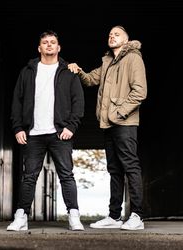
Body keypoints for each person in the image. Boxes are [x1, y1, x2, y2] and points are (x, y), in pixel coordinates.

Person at [68, 25, 147, 230]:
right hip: (109, 124)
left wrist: (119, 113)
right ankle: (114, 216)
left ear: (126, 40)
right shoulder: (107, 62)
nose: (112, 36)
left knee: (130, 166)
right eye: (110, 34)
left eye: (117, 34)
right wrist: (78, 71)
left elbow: (140, 92)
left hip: (125, 122)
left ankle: (137, 216)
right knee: (114, 170)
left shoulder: (133, 58)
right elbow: (90, 80)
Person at [7, 30, 85, 231]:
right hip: (33, 133)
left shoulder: (69, 72)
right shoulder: (28, 71)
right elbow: (17, 101)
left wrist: (71, 126)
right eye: (45, 42)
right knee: (29, 176)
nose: (49, 45)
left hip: (60, 133)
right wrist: (18, 128)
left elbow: (78, 102)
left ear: (58, 48)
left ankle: (74, 215)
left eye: (53, 42)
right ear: (39, 48)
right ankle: (21, 216)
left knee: (66, 175)